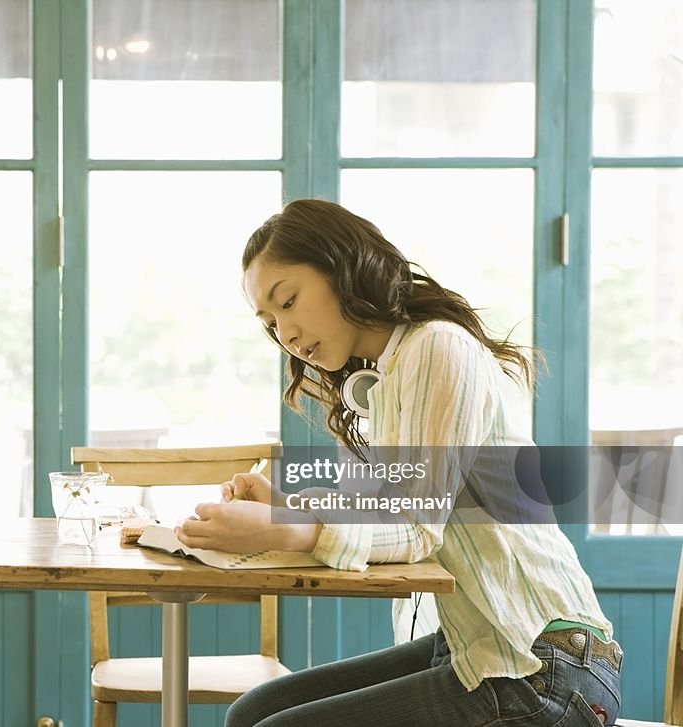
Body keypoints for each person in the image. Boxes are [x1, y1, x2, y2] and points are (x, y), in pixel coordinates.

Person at [174, 199, 622, 726]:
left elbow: (413, 525)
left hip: (543, 664)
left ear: (343, 267)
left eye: (289, 301)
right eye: (270, 323)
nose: (286, 335)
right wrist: (283, 506)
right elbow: (381, 514)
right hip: (476, 643)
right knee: (254, 711)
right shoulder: (381, 378)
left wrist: (282, 527)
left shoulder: (437, 347)